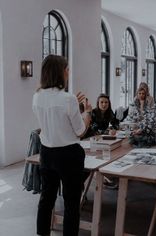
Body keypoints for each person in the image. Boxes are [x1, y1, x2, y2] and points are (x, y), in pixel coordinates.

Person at [32, 55, 92, 236]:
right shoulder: (68, 99)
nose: (68, 73)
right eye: (67, 70)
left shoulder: (37, 96)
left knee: (46, 199)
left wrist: (76, 108)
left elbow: (52, 124)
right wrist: (87, 112)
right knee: (71, 203)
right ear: (60, 72)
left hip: (46, 153)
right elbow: (80, 131)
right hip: (69, 155)